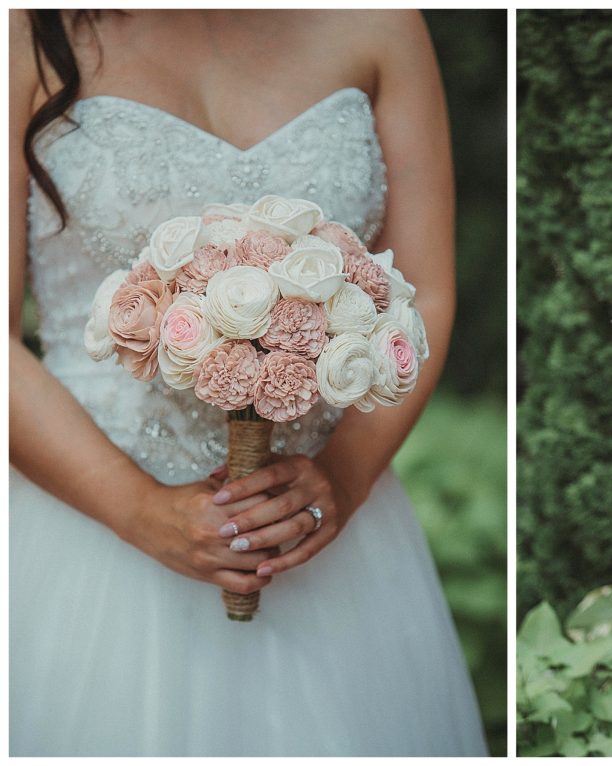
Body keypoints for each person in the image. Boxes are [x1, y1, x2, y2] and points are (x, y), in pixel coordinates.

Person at [10, 9, 487, 756]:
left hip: (323, 527)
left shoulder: (382, 23)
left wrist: (342, 476)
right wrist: (139, 511)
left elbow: (423, 289)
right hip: (90, 522)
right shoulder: (22, 33)